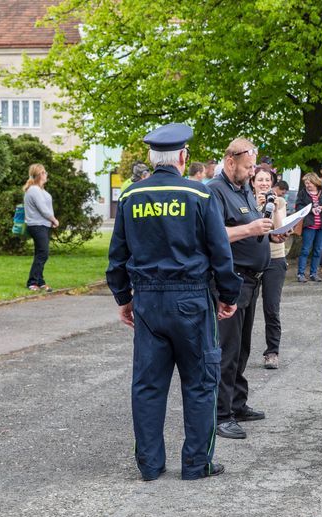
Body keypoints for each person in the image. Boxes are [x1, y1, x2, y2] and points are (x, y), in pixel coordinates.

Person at [106, 123, 241, 481]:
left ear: (152, 158)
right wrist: (228, 295)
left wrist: (123, 297)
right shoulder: (199, 194)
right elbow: (220, 251)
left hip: (148, 301)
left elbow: (117, 255)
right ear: (182, 156)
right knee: (200, 383)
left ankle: (150, 465)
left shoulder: (131, 196)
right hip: (192, 299)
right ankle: (196, 463)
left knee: (148, 386)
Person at [207, 138, 289, 440]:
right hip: (231, 280)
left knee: (242, 348)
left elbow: (253, 227)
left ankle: (237, 403)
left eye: (253, 167)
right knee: (227, 350)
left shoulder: (242, 189)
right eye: (247, 167)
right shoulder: (215, 191)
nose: (252, 172)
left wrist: (271, 234)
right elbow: (212, 234)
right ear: (230, 161)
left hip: (251, 280)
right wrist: (250, 229)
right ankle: (220, 414)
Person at [250, 168, 287, 369]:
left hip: (275, 258)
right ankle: (238, 351)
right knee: (246, 308)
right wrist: (257, 206)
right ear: (253, 182)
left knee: (271, 307)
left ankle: (272, 351)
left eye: (267, 180)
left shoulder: (279, 201)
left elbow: (279, 231)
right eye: (260, 179)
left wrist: (273, 207)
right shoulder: (246, 201)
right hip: (252, 259)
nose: (264, 183)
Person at [23, 164, 59, 292]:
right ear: (38, 175)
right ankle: (32, 282)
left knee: (40, 254)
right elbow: (43, 209)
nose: (46, 174)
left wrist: (50, 221)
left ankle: (40, 281)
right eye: (44, 172)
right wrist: (54, 219)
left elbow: (46, 208)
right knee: (43, 253)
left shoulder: (40, 190)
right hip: (37, 225)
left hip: (43, 225)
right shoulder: (34, 190)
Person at [295, 172, 322, 282]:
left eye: (309, 183)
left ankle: (314, 274)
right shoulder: (303, 193)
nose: (307, 185)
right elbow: (298, 206)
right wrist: (310, 209)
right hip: (309, 226)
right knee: (305, 250)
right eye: (306, 183)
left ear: (315, 182)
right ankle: (300, 274)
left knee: (318, 251)